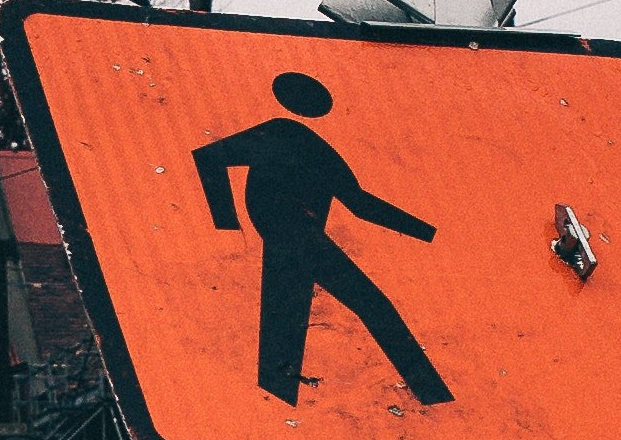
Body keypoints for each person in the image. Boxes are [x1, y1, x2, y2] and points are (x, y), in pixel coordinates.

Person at [191, 71, 453, 406]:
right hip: (291, 231)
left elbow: (359, 203)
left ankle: (276, 413)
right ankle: (433, 395)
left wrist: (429, 232)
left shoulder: (320, 150)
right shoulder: (280, 132)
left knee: (284, 322)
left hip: (298, 237)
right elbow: (209, 157)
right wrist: (227, 225)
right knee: (371, 305)